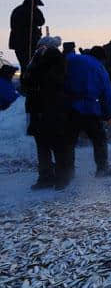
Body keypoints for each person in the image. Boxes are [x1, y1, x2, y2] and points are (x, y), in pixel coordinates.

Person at [22, 36, 72, 189]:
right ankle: (54, 177)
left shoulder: (46, 59)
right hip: (46, 108)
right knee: (50, 144)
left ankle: (54, 177)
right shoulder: (42, 59)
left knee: (49, 144)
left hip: (46, 108)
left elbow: (31, 83)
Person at [65, 45, 111, 177]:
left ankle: (67, 173)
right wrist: (107, 114)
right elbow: (106, 94)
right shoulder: (100, 68)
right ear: (101, 58)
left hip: (70, 107)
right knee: (99, 139)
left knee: (69, 141)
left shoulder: (72, 59)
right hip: (89, 109)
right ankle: (102, 169)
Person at [9, 0, 45, 77]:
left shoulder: (17, 10)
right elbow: (41, 21)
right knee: (30, 65)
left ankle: (25, 82)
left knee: (24, 65)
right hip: (29, 42)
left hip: (18, 43)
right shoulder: (32, 11)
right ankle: (28, 84)